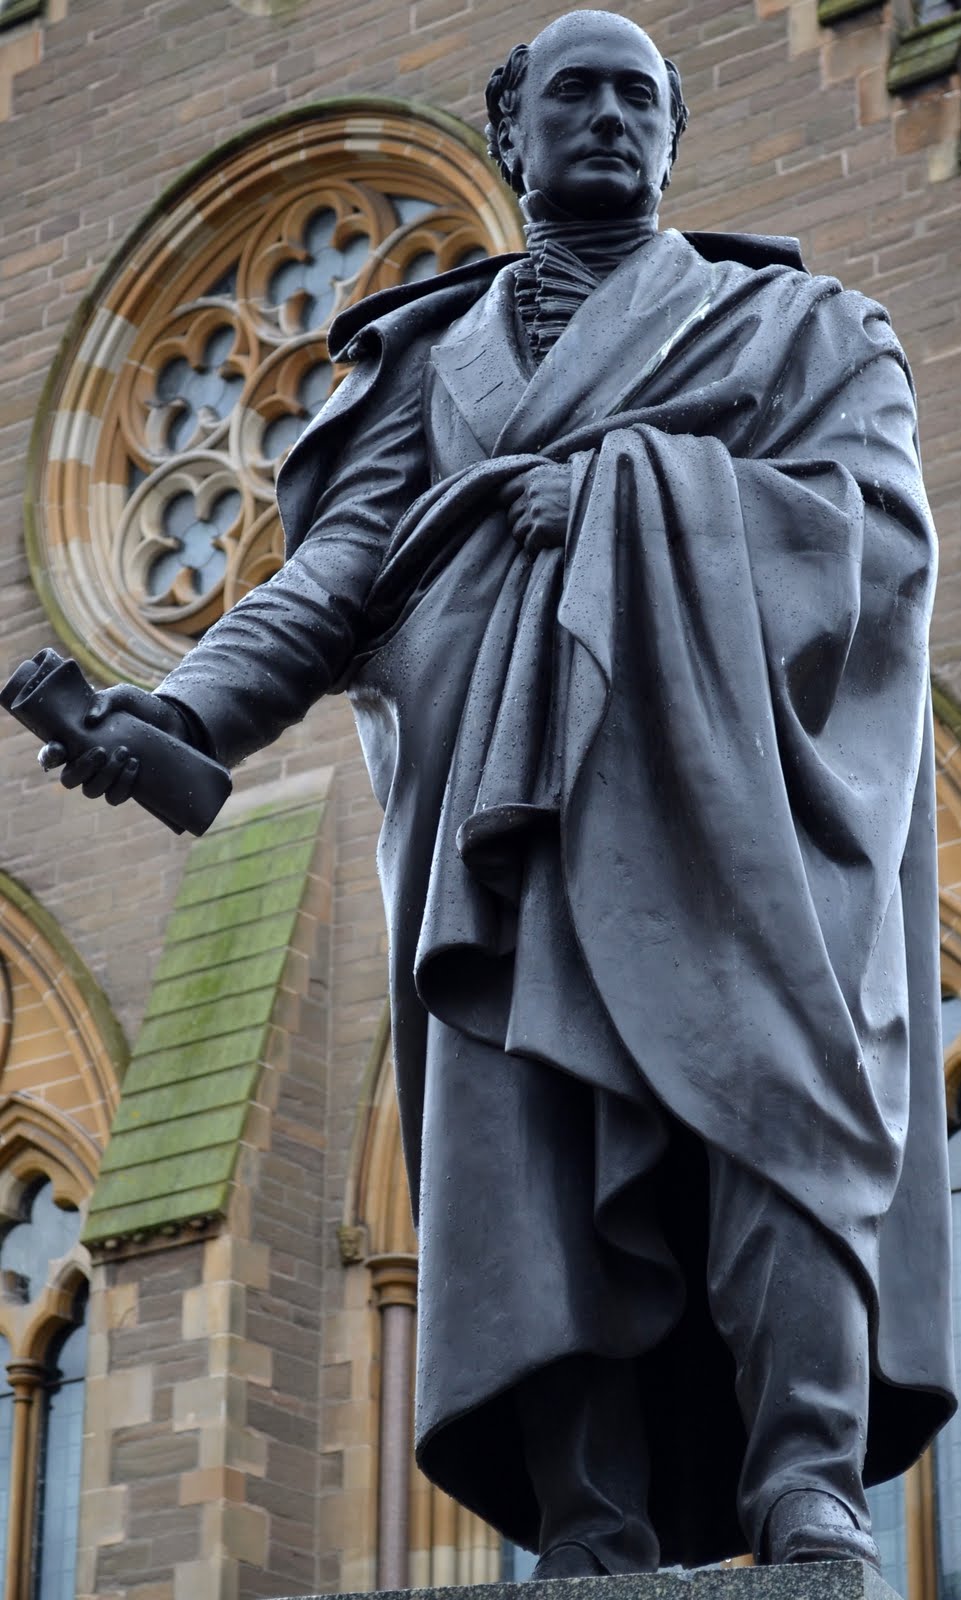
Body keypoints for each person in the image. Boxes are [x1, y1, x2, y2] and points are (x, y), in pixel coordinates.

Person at [39, 10, 956, 1578]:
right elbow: (332, 576)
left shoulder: (802, 326)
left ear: (672, 136)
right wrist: (181, 714)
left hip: (735, 815)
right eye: (572, 95)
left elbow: (869, 536)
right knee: (529, 1165)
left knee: (771, 1129)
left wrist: (615, 490)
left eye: (636, 98)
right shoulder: (424, 360)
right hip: (500, 830)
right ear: (509, 131)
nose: (607, 120)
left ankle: (807, 1487)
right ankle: (586, 1524)